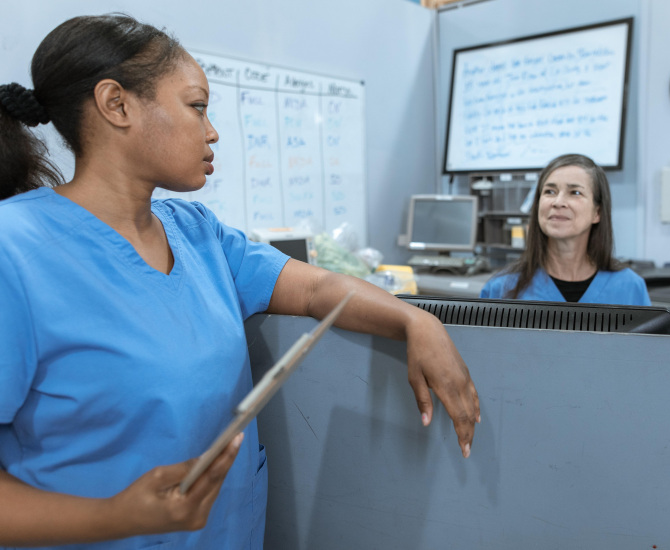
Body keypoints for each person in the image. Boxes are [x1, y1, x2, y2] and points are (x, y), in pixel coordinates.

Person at [0, 14, 479, 549]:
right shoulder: (15, 249)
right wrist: (116, 517)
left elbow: (319, 290)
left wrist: (414, 318)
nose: (212, 131)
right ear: (118, 105)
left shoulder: (197, 233)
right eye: (197, 106)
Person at [480, 153, 650, 305]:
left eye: (575, 192)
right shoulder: (501, 288)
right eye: (550, 191)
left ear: (597, 212)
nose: (558, 202)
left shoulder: (630, 288)